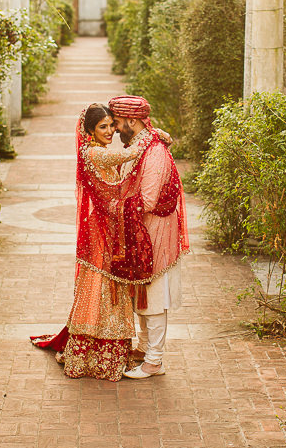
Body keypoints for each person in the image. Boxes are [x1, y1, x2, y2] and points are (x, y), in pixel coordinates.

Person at [31, 103, 171, 381]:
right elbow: (132, 152)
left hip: (109, 225)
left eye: (112, 124)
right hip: (101, 231)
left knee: (108, 283)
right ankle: (93, 353)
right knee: (101, 283)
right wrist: (156, 135)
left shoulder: (100, 152)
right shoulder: (94, 152)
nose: (110, 131)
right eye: (103, 127)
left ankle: (104, 347)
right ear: (90, 131)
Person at [108, 95, 189, 379]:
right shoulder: (141, 144)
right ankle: (144, 350)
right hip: (141, 233)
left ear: (132, 120)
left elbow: (149, 200)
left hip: (155, 235)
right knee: (140, 295)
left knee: (153, 297)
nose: (116, 129)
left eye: (117, 123)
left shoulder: (154, 152)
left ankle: (155, 361)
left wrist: (113, 205)